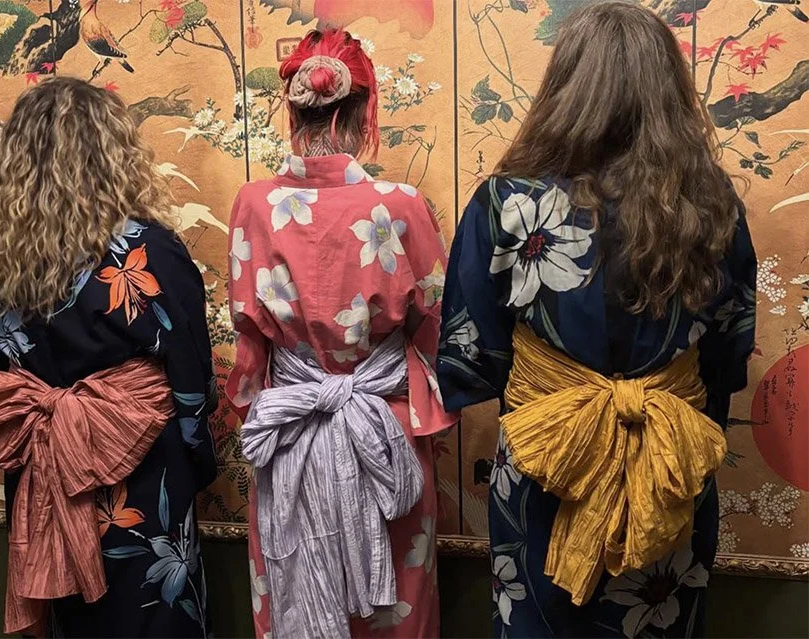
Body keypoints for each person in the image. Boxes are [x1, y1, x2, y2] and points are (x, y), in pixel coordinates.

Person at [436, 3, 756, 638]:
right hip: (667, 467)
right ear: (669, 92)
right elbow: (725, 356)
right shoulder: (712, 204)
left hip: (544, 470)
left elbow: (472, 354)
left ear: (566, 88)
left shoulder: (507, 204)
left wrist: (563, 401)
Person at [227, 29, 457, 639]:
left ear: (294, 109)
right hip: (384, 429)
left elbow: (249, 340)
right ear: (363, 110)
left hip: (290, 432)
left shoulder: (252, 203)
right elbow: (436, 323)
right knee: (394, 608)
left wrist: (261, 402)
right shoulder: (402, 204)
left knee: (290, 585)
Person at [0, 77, 217, 638]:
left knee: (72, 619)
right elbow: (192, 387)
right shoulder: (149, 252)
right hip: (143, 482)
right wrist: (196, 465)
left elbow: (7, 394)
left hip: (44, 484)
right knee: (154, 615)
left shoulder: (1, 269)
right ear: (112, 154)